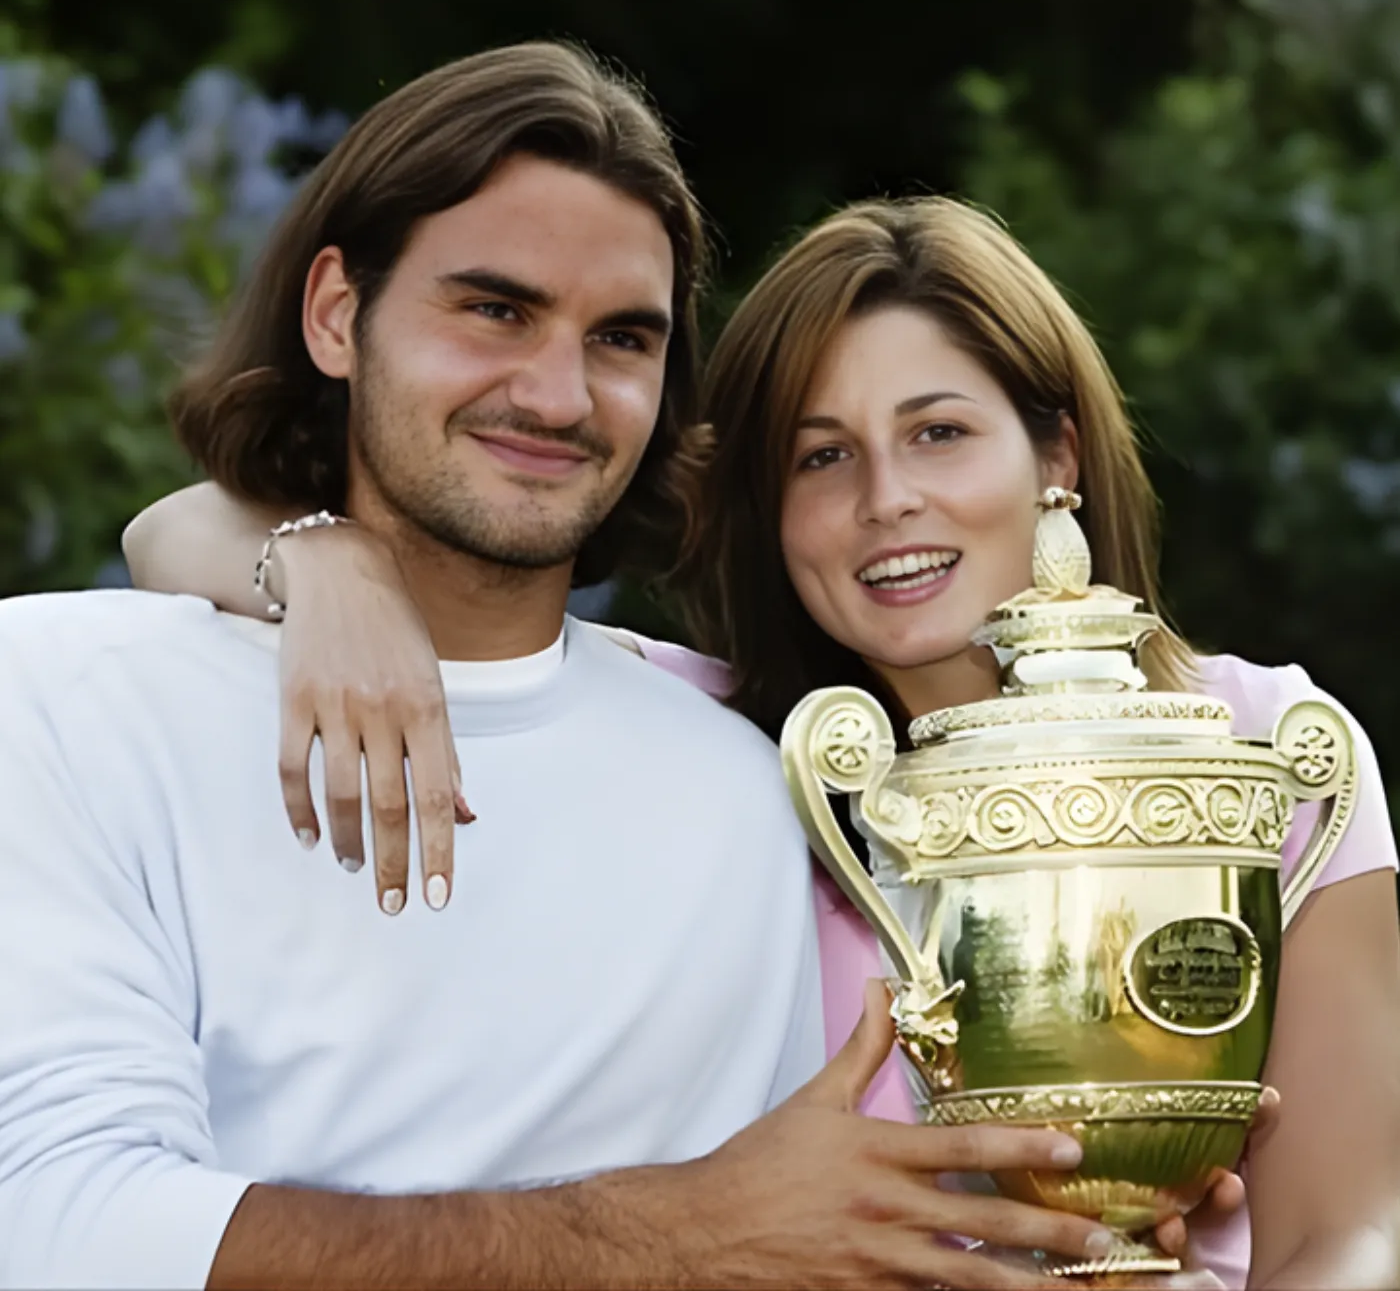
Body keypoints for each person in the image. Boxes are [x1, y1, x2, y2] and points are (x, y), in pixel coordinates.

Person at [0, 43, 1154, 1291]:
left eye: (619, 337)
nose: (556, 395)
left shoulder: (753, 787)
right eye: (494, 309)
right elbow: (54, 1230)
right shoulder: (65, 697)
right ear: (336, 313)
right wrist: (673, 1234)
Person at [129, 193, 1400, 1289]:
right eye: (820, 456)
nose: (885, 499)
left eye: (938, 432)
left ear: (1053, 450)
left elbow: (1346, 1230)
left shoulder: (1263, 747)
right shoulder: (708, 745)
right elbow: (167, 533)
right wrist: (334, 566)